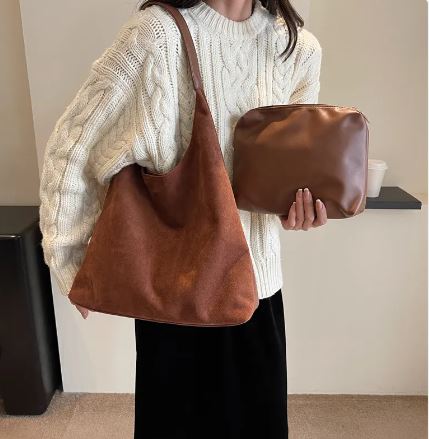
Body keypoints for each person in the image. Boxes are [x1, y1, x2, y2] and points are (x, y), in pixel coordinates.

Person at [38, 0, 327, 437]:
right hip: (176, 290)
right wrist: (68, 257)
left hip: (259, 289)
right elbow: (73, 145)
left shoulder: (297, 48)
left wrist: (295, 209)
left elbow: (288, 173)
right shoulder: (155, 35)